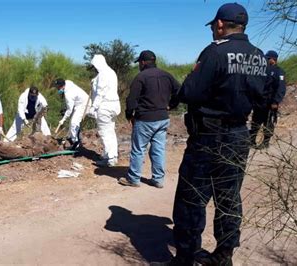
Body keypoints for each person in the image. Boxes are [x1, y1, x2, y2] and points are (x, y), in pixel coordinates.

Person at [168, 3, 267, 265]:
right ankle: (224, 257)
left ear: (221, 24)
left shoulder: (215, 52)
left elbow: (190, 93)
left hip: (208, 138)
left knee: (191, 197)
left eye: (214, 25)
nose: (213, 29)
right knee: (228, 197)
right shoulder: (258, 56)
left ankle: (185, 258)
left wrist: (192, 76)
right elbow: (263, 98)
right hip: (238, 135)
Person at [118, 50, 180, 188]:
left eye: (139, 63)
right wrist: (172, 105)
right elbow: (180, 91)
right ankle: (158, 179)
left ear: (143, 62)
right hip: (163, 118)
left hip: (145, 119)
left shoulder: (141, 77)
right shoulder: (167, 75)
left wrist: (130, 115)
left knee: (139, 149)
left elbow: (131, 99)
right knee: (158, 149)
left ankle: (133, 179)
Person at [87, 54, 121, 167]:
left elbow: (101, 92)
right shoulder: (110, 72)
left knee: (105, 132)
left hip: (105, 106)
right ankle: (111, 155)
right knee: (110, 131)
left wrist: (93, 107)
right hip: (114, 106)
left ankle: (110, 158)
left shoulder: (103, 74)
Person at [250, 50, 286, 149]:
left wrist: (276, 101)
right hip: (260, 102)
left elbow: (281, 88)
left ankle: (265, 143)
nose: (266, 60)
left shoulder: (279, 72)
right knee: (255, 122)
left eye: (268, 58)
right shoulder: (263, 70)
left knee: (268, 123)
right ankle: (252, 141)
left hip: (271, 103)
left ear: (273, 60)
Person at [53, 78, 89, 150]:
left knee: (74, 123)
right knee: (72, 123)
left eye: (58, 87)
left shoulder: (68, 93)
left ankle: (76, 144)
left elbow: (69, 110)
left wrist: (63, 119)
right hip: (79, 104)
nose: (57, 89)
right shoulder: (68, 83)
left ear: (62, 86)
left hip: (84, 105)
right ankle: (73, 139)